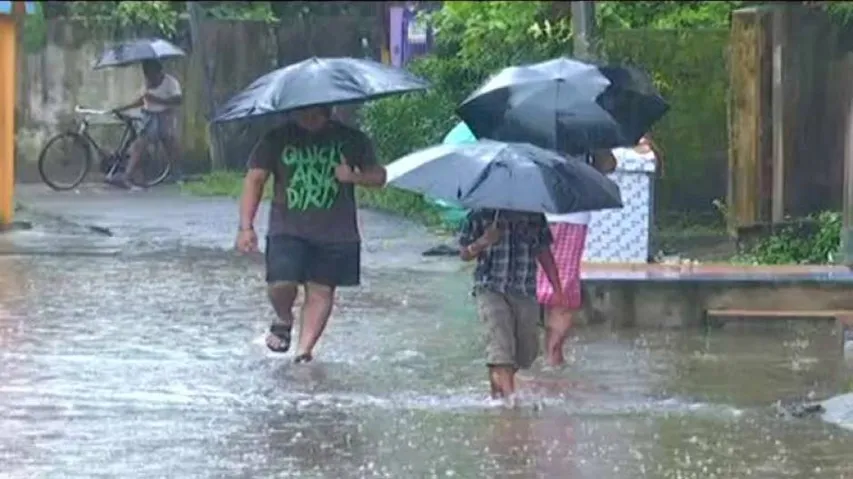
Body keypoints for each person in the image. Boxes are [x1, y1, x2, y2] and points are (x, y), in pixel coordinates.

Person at [235, 105, 386, 363]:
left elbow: (380, 176)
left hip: (336, 231)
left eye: (315, 113)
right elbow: (255, 180)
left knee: (321, 290)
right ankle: (284, 317)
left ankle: (303, 352)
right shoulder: (276, 138)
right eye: (303, 113)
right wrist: (246, 226)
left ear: (328, 111)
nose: (309, 118)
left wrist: (352, 177)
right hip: (288, 227)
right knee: (280, 283)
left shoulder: (351, 138)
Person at [459, 209, 564, 399]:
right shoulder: (479, 215)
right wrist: (483, 242)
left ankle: (501, 393)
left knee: (525, 354)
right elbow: (464, 254)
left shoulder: (534, 216)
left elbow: (544, 252)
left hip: (525, 289)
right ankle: (507, 406)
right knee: (501, 349)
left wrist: (557, 287)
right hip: (490, 288)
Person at [536, 148, 618, 367]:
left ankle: (531, 357)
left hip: (531, 210)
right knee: (562, 292)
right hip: (571, 215)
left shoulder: (526, 126)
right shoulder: (585, 131)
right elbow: (608, 165)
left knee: (530, 287)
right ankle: (552, 356)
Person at [111, 59, 183, 188]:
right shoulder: (147, 83)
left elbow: (178, 100)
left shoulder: (170, 83)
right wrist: (124, 108)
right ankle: (128, 175)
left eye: (152, 74)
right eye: (147, 75)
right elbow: (142, 100)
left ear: (159, 72)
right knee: (140, 145)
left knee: (170, 144)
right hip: (149, 116)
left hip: (164, 116)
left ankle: (176, 173)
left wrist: (157, 100)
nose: (150, 78)